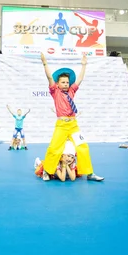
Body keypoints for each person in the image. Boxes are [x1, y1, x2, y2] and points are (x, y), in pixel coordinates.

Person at [40, 52, 103, 181]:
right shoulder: (55, 91)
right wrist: (45, 64)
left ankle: (90, 173)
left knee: (83, 147)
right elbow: (50, 78)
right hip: (61, 125)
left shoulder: (72, 91)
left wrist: (84, 65)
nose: (66, 84)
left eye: (67, 82)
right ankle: (47, 171)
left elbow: (79, 79)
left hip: (73, 125)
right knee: (54, 148)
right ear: (58, 84)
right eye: (63, 82)